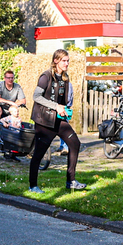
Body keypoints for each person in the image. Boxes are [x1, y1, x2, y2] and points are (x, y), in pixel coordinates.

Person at [28, 49, 84, 193]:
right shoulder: (46, 76)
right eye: (64, 60)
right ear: (56, 61)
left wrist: (65, 109)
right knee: (39, 154)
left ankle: (71, 181)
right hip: (44, 121)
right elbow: (36, 96)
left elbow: (62, 100)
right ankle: (33, 186)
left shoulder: (65, 78)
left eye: (68, 60)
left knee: (75, 143)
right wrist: (55, 106)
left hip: (58, 120)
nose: (67, 63)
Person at [0, 70, 25, 137]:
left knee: (14, 115)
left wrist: (15, 105)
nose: (10, 79)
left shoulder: (17, 87)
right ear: (4, 78)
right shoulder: (0, 85)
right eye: (8, 78)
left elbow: (23, 101)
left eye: (12, 78)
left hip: (7, 107)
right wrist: (10, 102)